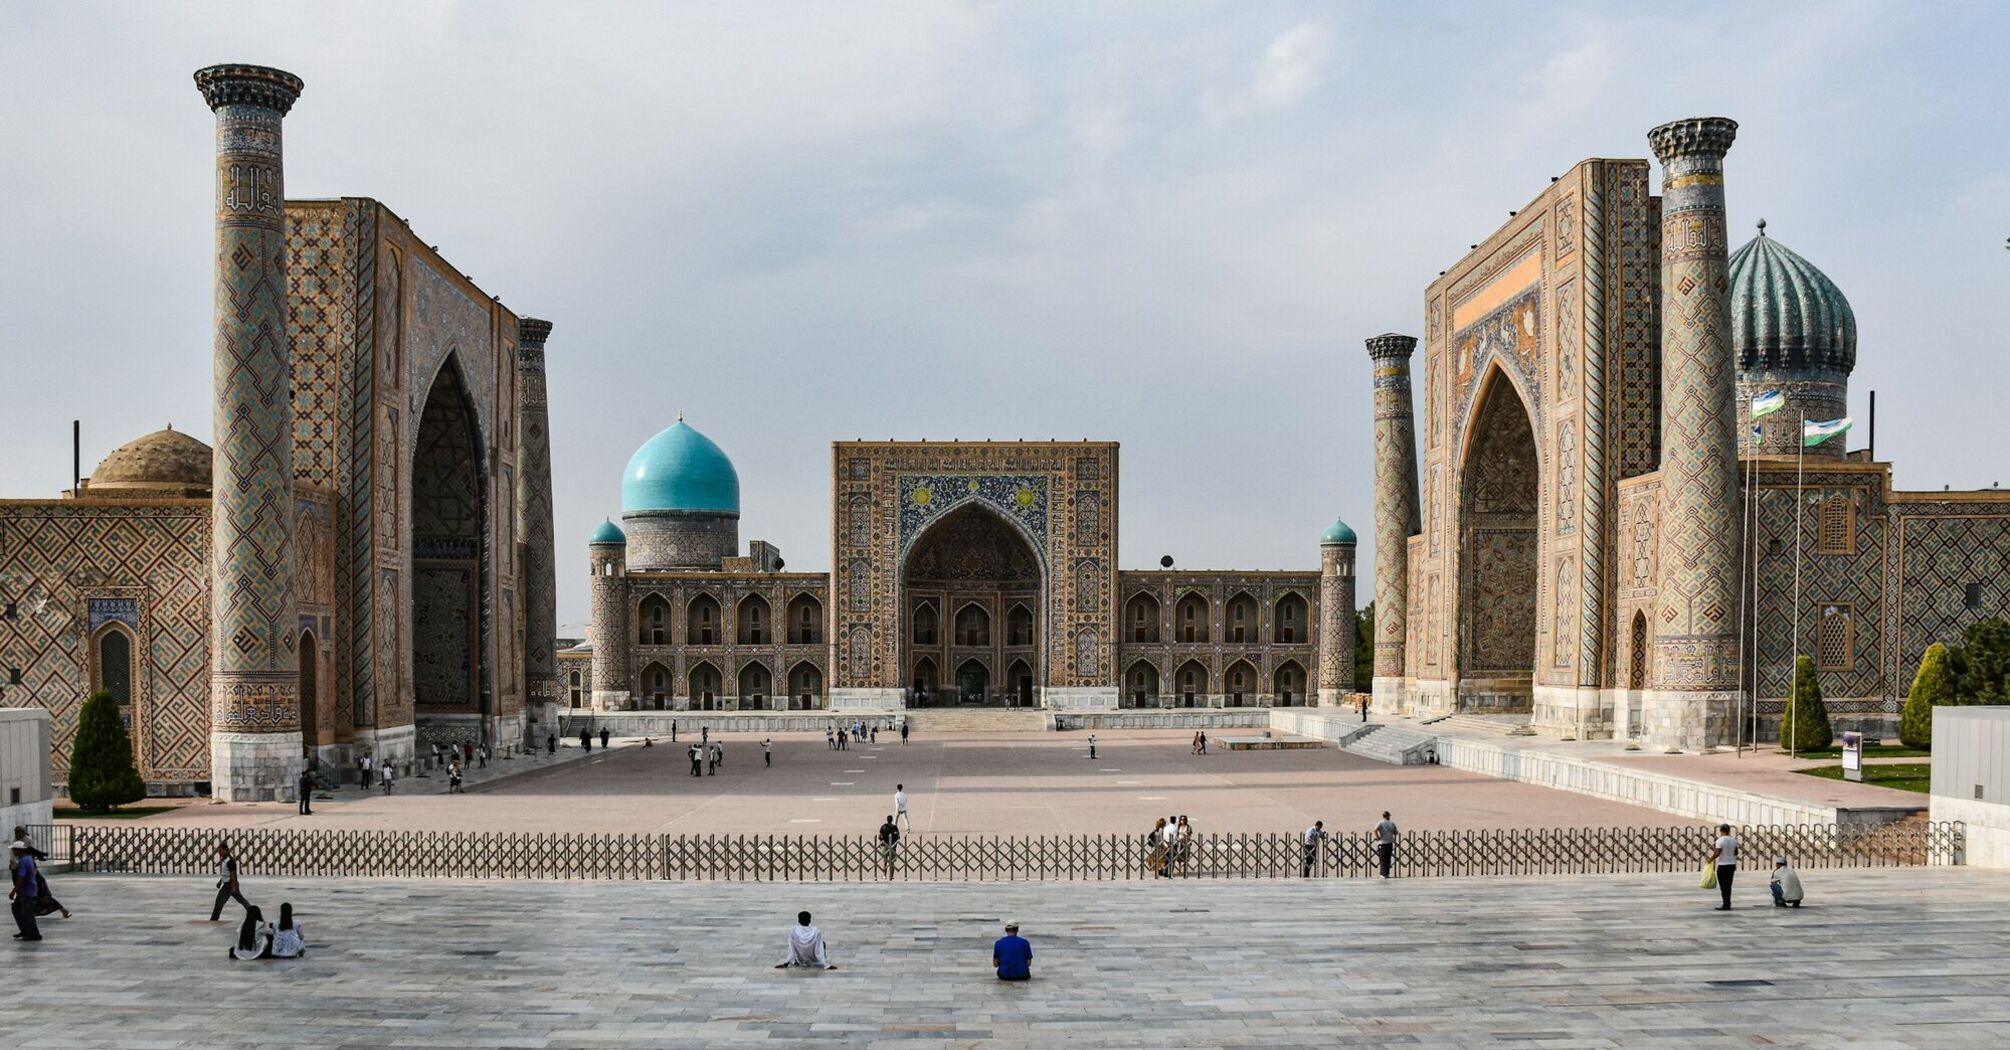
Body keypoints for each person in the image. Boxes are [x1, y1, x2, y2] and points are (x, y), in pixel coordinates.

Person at [11, 827, 69, 919]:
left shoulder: (26, 851)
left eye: (18, 832)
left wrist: (14, 890)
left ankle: (62, 910)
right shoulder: (16, 842)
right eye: (15, 832)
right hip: (22, 874)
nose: (16, 834)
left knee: (42, 896)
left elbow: (23, 874)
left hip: (31, 879)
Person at [9, 841, 43, 941]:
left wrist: (13, 891)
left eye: (14, 849)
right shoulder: (28, 858)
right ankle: (25, 930)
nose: (13, 851)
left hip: (27, 891)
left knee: (27, 913)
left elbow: (21, 878)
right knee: (17, 909)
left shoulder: (24, 861)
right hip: (26, 890)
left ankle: (34, 934)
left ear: (20, 850)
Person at [210, 841, 251, 921]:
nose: (219, 853)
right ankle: (252, 912)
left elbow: (233, 875)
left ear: (227, 850)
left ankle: (214, 918)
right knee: (241, 900)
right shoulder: (224, 859)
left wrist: (233, 886)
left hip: (229, 885)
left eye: (221, 851)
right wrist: (220, 881)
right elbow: (225, 873)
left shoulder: (230, 861)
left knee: (219, 902)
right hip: (228, 884)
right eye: (218, 851)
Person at [1708, 824, 1740, 911]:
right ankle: (1727, 903)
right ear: (1729, 830)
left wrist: (1710, 859)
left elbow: (1717, 852)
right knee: (1728, 885)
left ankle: (1726, 904)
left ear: (1721, 831)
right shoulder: (1734, 840)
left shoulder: (1720, 841)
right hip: (1732, 865)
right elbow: (1736, 852)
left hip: (1723, 865)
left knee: (1723, 886)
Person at [1373, 812, 1399, 878]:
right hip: (1389, 843)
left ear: (1383, 816)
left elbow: (1375, 830)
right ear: (1388, 816)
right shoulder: (1392, 823)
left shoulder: (1380, 823)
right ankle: (1386, 873)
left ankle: (1383, 874)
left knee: (1383, 859)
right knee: (1388, 859)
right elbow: (1395, 832)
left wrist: (1377, 837)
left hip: (1382, 843)